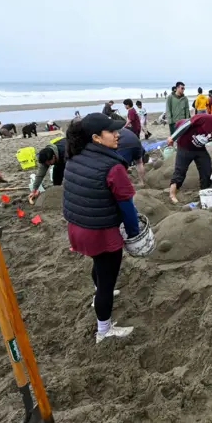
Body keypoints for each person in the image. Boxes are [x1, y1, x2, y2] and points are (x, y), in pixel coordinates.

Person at [62, 113, 139, 343]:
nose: (118, 135)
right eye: (112, 132)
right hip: (100, 231)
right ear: (96, 137)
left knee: (98, 263)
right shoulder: (113, 167)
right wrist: (134, 232)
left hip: (78, 226)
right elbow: (127, 206)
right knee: (108, 280)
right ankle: (104, 330)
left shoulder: (75, 156)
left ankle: (98, 296)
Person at [166, 110, 212, 203]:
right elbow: (187, 124)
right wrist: (173, 137)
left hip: (199, 149)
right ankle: (172, 194)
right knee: (180, 171)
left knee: (207, 170)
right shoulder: (205, 118)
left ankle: (204, 192)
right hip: (184, 146)